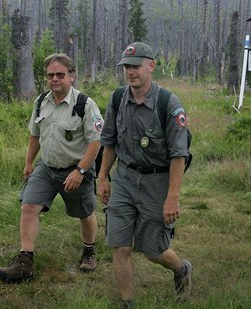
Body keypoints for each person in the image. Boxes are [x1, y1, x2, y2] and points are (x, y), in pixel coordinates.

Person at [97, 42, 192, 307]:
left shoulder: (168, 104)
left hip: (156, 181)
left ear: (151, 66)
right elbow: (110, 142)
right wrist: (103, 177)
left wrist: (173, 197)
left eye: (136, 66)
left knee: (152, 250)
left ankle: (181, 269)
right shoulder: (117, 99)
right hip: (125, 178)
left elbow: (178, 154)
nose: (130, 72)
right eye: (126, 67)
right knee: (121, 245)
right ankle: (128, 303)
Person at [0, 53, 103, 282]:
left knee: (84, 214)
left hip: (76, 169)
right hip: (46, 167)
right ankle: (25, 261)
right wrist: (28, 163)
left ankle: (89, 251)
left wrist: (81, 171)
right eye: (50, 75)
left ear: (71, 76)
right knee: (28, 207)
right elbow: (35, 135)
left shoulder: (85, 104)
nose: (55, 79)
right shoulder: (41, 101)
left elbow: (96, 142)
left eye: (60, 75)